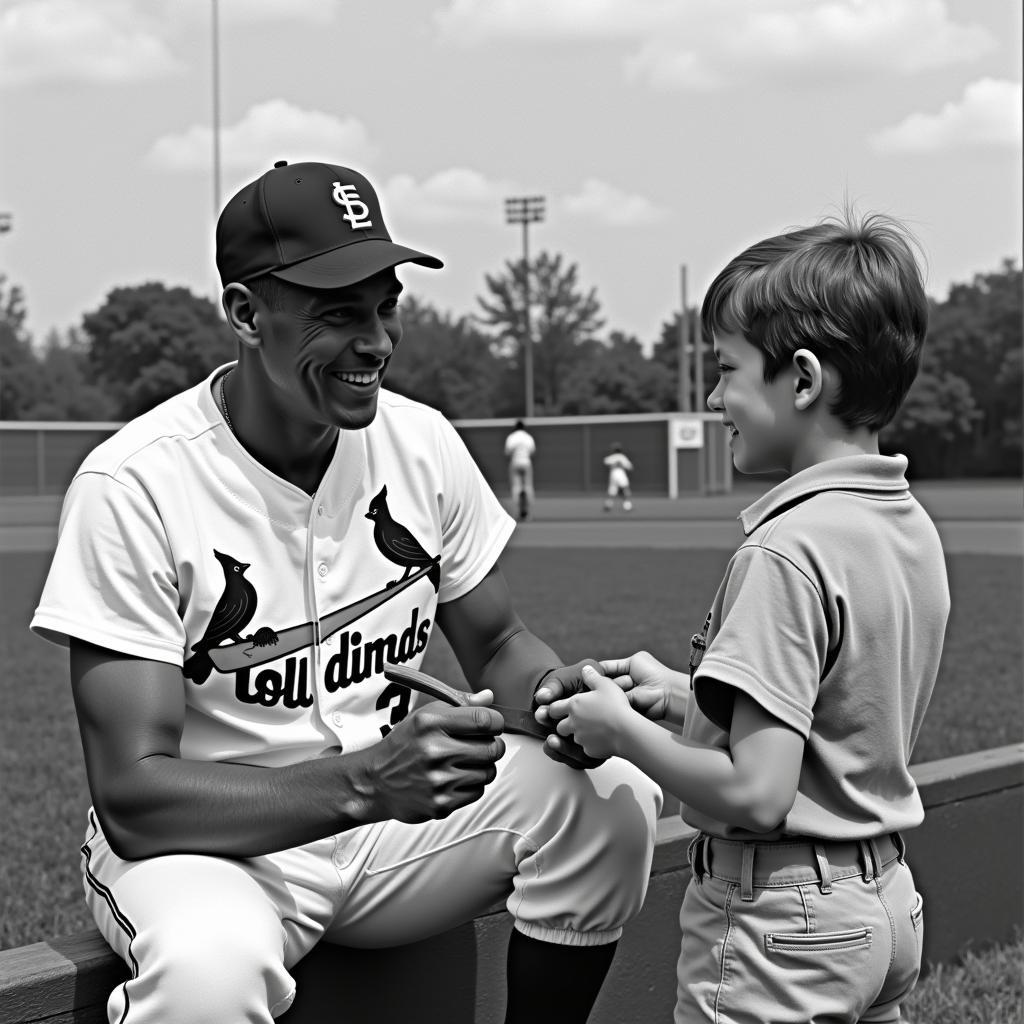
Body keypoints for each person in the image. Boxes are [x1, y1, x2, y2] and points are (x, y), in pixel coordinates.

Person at [31, 160, 661, 1024]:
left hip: (385, 834)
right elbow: (135, 800)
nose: (376, 341)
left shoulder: (423, 443)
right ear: (247, 315)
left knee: (612, 805)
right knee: (207, 970)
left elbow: (503, 644)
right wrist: (366, 783)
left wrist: (556, 699)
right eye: (338, 312)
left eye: (385, 304)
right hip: (211, 850)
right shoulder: (136, 483)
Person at [539, 212, 948, 1023]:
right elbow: (826, 734)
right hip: (885, 903)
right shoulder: (903, 525)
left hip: (784, 924)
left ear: (800, 380)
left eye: (726, 371)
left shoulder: (783, 552)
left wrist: (620, 731)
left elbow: (758, 794)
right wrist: (686, 699)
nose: (714, 397)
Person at [504, 419, 536, 521]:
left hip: (515, 461)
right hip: (526, 462)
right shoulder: (528, 437)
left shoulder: (511, 437)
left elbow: (507, 452)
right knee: (528, 486)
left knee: (516, 487)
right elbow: (532, 451)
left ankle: (517, 512)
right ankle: (528, 513)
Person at [603, 442, 633, 512]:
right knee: (625, 489)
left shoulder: (611, 457)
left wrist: (613, 465)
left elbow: (605, 461)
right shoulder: (622, 457)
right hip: (620, 473)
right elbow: (630, 467)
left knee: (612, 491)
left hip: (613, 474)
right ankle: (627, 506)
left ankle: (608, 505)